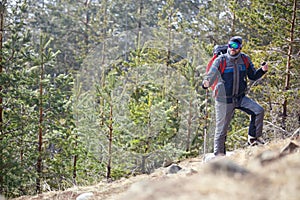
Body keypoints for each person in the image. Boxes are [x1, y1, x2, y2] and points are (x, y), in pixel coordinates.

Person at [202, 36, 268, 156]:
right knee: (221, 130)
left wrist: (262, 70)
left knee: (258, 111)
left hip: (240, 98)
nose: (232, 49)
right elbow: (210, 76)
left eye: (235, 46)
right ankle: (219, 156)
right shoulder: (221, 60)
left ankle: (253, 138)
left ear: (240, 48)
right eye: (230, 45)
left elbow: (252, 75)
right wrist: (206, 83)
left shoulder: (245, 59)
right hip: (223, 101)